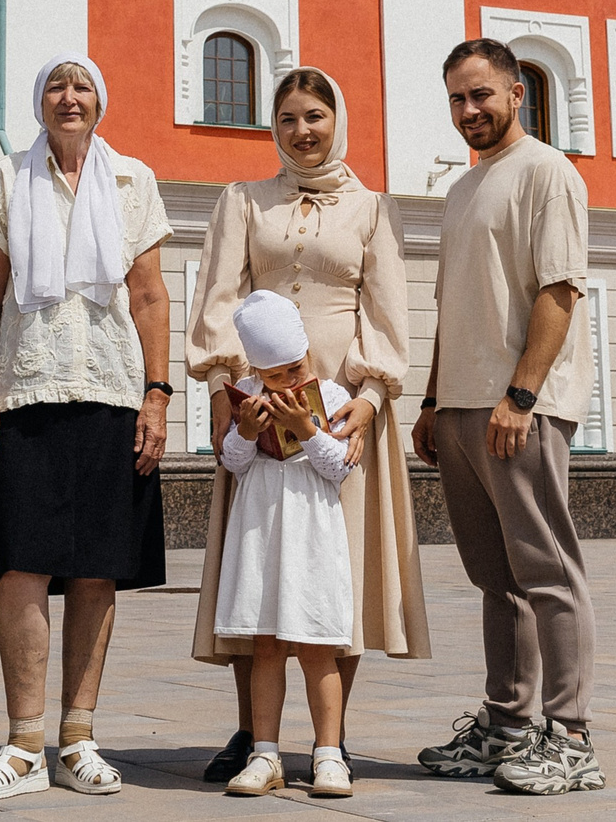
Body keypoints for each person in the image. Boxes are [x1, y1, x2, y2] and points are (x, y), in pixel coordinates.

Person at [185, 67, 426, 783]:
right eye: (288, 118)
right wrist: (230, 397)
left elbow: (387, 313)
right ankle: (252, 734)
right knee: (254, 568)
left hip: (341, 408)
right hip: (256, 405)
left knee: (336, 573)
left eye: (315, 115)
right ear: (275, 127)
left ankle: (331, 739)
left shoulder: (372, 210)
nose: (303, 130)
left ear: (336, 118)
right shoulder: (243, 200)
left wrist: (372, 401)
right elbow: (220, 295)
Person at [0, 53, 175, 800]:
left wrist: (157, 394)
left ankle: (78, 736)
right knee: (23, 564)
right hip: (26, 395)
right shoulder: (6, 179)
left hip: (114, 394)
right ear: (40, 101)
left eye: (83, 85)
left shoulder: (131, 181)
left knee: (96, 567)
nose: (70, 97)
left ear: (101, 101)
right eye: (57, 85)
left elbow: (148, 297)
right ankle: (23, 744)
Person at [411, 37, 602, 797]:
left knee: (549, 573)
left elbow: (559, 292)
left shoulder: (547, 173)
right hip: (460, 409)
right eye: (457, 98)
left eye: (481, 95)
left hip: (518, 410)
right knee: (498, 580)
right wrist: (430, 401)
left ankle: (572, 734)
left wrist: (520, 396)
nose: (469, 111)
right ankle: (507, 725)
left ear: (518, 93)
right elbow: (451, 305)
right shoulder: (465, 187)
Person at [212, 291, 359, 800]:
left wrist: (305, 428)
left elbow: (340, 466)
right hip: (262, 528)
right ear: (257, 368)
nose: (289, 382)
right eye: (276, 376)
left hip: (311, 530)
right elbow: (232, 462)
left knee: (318, 647)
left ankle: (329, 755)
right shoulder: (246, 395)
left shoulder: (335, 397)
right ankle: (265, 753)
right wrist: (247, 433)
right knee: (266, 645)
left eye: (296, 368)